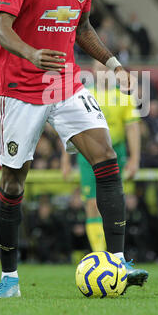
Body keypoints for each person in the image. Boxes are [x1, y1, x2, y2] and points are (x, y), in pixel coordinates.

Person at [0, 0, 148, 298]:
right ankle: (9, 278)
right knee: (12, 183)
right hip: (20, 89)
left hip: (65, 83)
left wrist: (113, 64)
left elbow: (83, 29)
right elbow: (0, 27)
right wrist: (30, 52)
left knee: (106, 156)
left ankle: (117, 262)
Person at [61, 60, 141, 253]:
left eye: (107, 69)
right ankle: (99, 253)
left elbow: (132, 128)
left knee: (113, 202)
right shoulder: (83, 95)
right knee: (91, 203)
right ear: (93, 72)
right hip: (87, 154)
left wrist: (135, 159)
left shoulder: (123, 97)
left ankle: (113, 252)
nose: (103, 72)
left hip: (116, 153)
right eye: (99, 69)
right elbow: (69, 127)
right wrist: (65, 160)